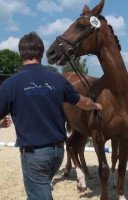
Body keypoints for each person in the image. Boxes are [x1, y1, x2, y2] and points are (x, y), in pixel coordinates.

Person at [0, 32, 102, 200]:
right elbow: (82, 102)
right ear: (41, 53)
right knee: (38, 191)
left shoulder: (11, 84)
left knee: (39, 194)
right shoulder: (57, 79)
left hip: (35, 155)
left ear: (21, 53)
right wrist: (96, 105)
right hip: (57, 153)